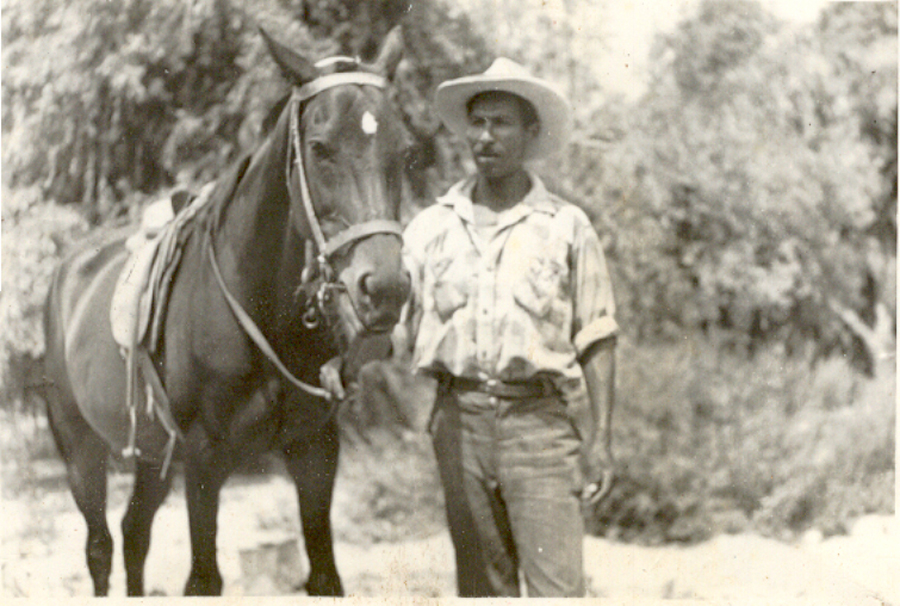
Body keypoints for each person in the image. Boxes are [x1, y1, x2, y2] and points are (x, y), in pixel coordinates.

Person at [397, 58, 619, 597]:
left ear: (530, 132)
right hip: (459, 424)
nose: (485, 136)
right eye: (477, 123)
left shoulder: (566, 226)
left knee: (556, 590)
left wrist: (601, 439)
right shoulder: (430, 228)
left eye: (501, 123)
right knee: (481, 589)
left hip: (539, 427)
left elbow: (597, 335)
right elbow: (392, 323)